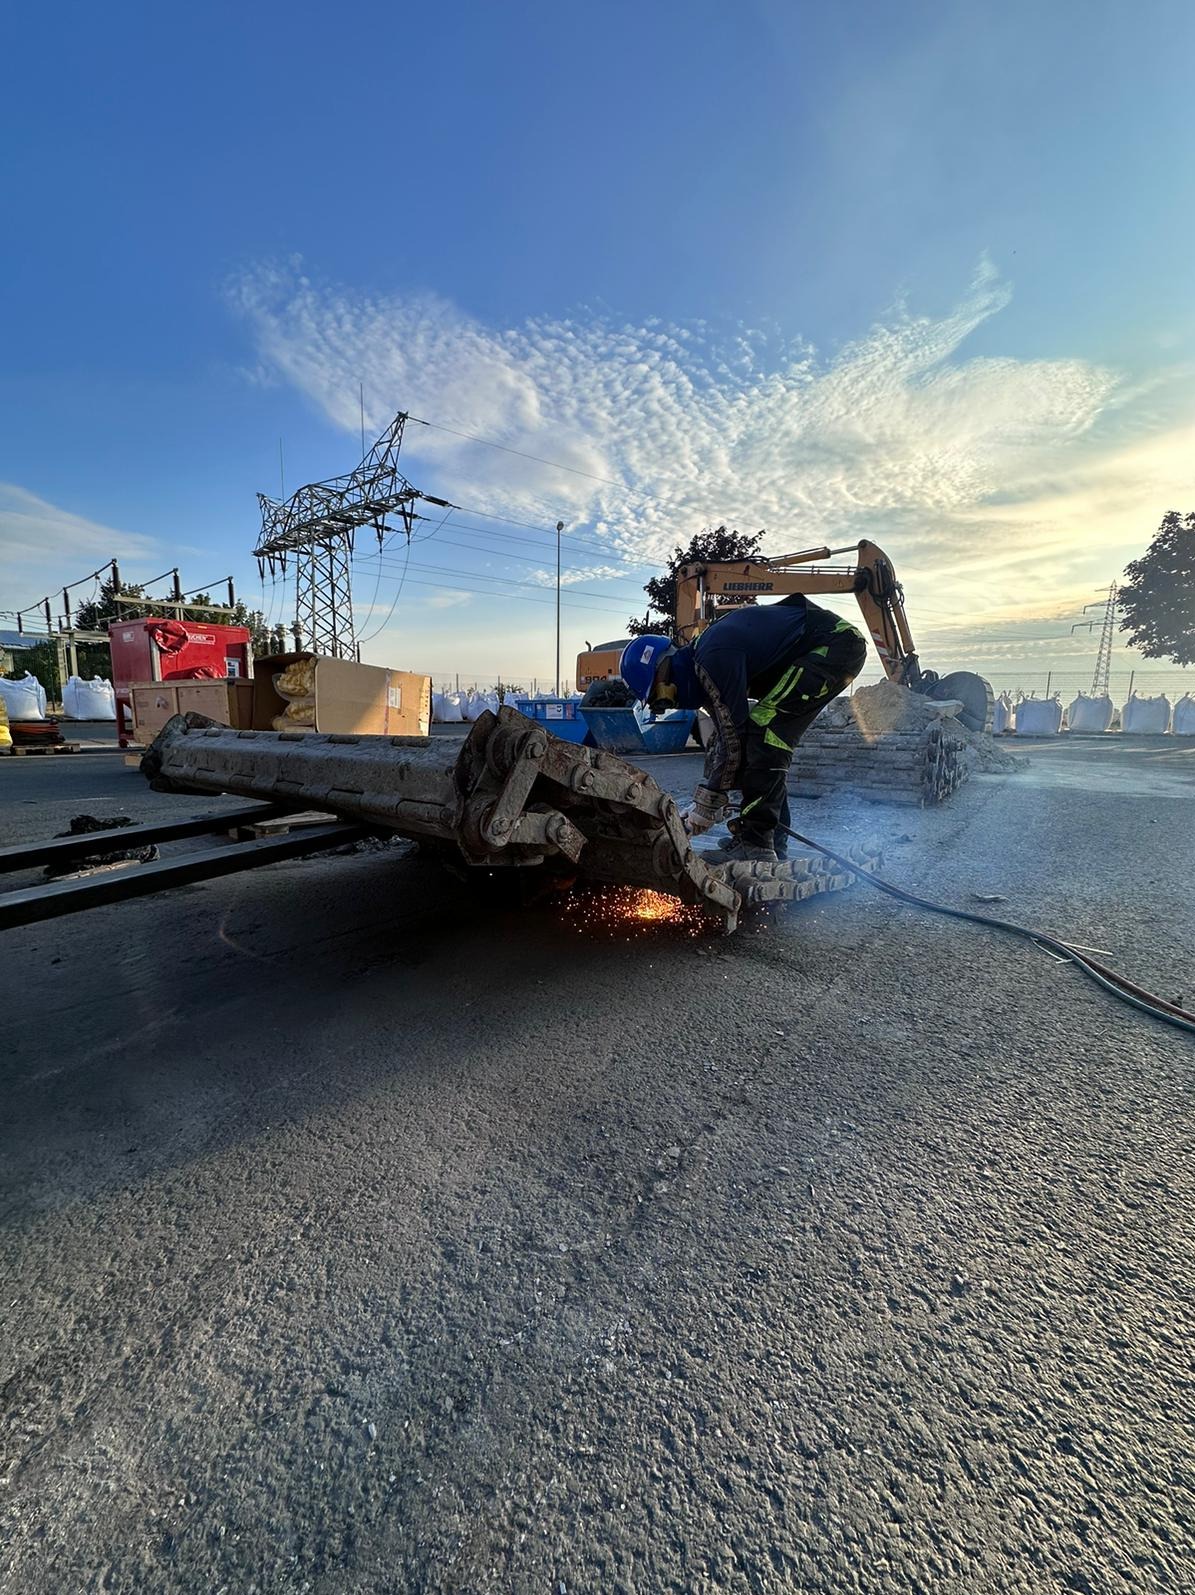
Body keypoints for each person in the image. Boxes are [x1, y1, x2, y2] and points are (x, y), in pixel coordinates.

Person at [619, 596, 867, 863]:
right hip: (823, 646)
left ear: (666, 670)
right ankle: (769, 843)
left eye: (662, 695)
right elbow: (726, 742)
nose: (669, 702)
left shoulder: (712, 656)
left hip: (834, 644)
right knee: (760, 738)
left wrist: (708, 804)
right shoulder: (705, 668)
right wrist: (703, 805)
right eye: (659, 704)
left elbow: (734, 738)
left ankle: (756, 844)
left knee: (765, 733)